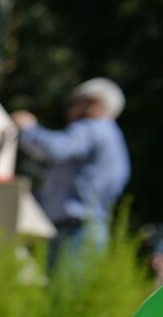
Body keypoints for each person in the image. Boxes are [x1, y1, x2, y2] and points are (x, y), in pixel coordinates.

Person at [11, 78, 130, 271]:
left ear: (94, 104)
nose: (70, 110)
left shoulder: (91, 128)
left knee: (61, 288)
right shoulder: (113, 136)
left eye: (76, 103)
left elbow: (55, 149)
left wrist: (28, 129)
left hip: (74, 231)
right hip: (92, 228)